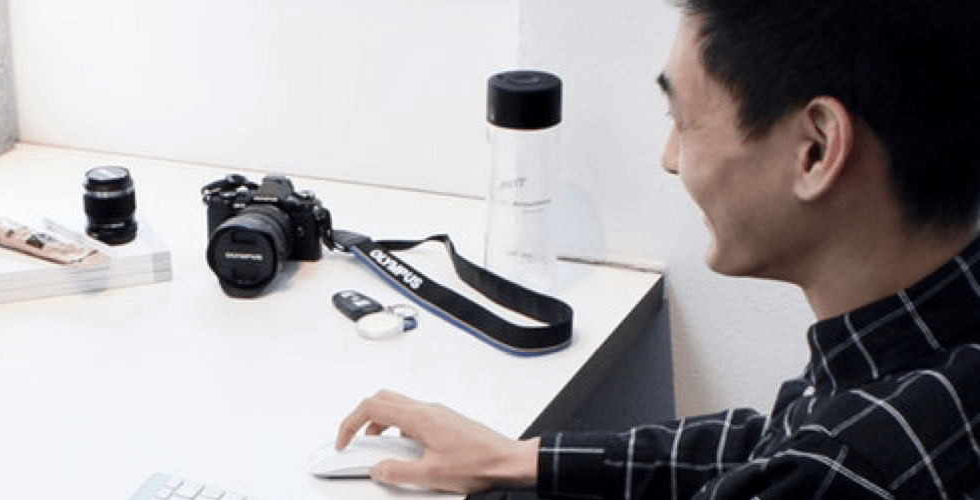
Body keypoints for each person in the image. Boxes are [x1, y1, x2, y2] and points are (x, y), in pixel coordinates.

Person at [335, 0, 980, 498]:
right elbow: (770, 441)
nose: (669, 158)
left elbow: (799, 463)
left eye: (682, 121)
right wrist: (517, 458)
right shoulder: (917, 350)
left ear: (815, 149)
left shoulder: (841, 472)